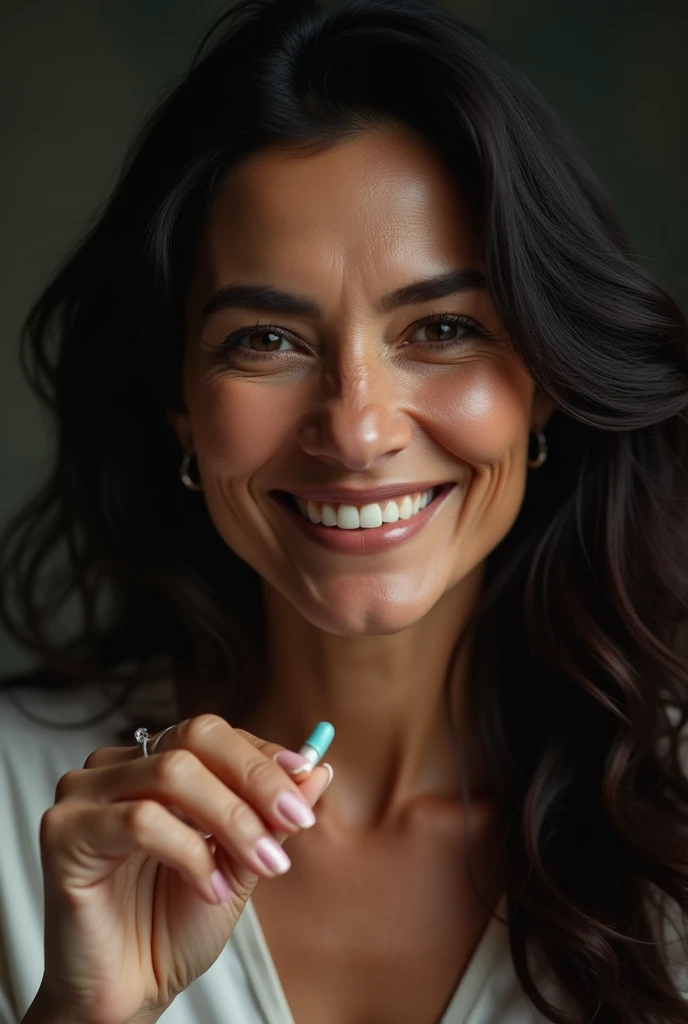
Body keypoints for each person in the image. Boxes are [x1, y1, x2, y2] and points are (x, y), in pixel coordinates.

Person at [1, 0, 687, 1020]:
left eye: (443, 326)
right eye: (266, 340)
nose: (358, 430)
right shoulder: (17, 800)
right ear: (180, 404)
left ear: (545, 378)